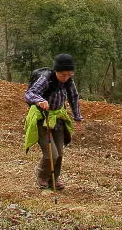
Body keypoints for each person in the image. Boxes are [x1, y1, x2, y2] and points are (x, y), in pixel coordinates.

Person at [23, 53, 83, 190]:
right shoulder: (46, 79)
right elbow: (29, 94)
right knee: (51, 154)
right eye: (63, 75)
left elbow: (74, 98)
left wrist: (78, 118)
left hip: (58, 118)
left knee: (60, 154)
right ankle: (42, 175)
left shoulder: (68, 81)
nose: (66, 78)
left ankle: (54, 179)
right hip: (42, 118)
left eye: (69, 74)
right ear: (56, 71)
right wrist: (40, 100)